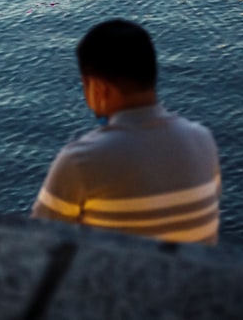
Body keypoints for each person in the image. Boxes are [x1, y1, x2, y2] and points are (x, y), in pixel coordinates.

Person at [31, 19, 221, 245]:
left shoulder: (81, 161)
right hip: (194, 279)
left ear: (98, 88)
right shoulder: (203, 140)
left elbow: (39, 244)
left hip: (122, 279)